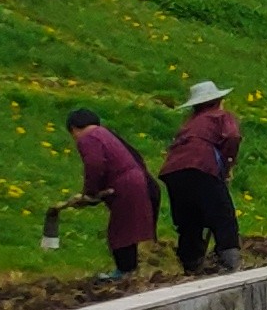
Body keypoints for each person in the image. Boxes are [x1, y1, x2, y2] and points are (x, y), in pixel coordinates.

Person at [58, 108, 159, 278]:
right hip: (135, 180)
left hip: (124, 184)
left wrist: (89, 192)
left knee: (120, 231)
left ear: (74, 128)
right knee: (126, 227)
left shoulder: (88, 138)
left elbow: (95, 164)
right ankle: (128, 269)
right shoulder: (105, 134)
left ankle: (124, 271)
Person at [161, 80, 245, 274]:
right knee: (222, 213)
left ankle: (190, 262)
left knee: (189, 218)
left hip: (173, 170)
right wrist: (228, 163)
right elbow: (232, 136)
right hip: (201, 165)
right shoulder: (220, 116)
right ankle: (229, 259)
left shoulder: (190, 123)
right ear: (218, 101)